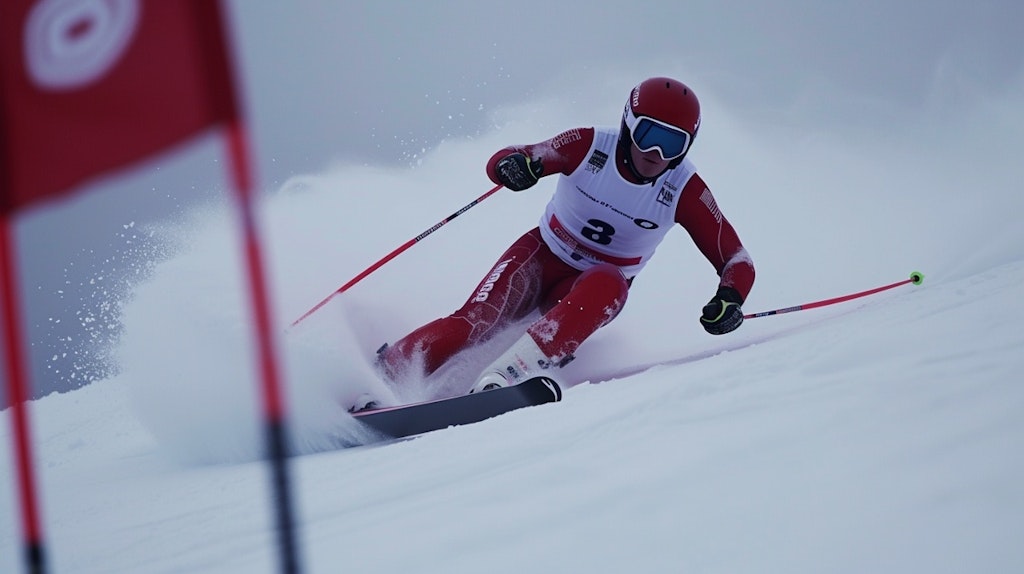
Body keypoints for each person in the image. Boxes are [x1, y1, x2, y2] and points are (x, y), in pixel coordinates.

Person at [376, 76, 755, 395]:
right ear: (627, 123)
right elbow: (513, 156)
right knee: (475, 323)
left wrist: (731, 298)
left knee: (610, 282)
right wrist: (514, 166)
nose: (655, 152)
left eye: (672, 143)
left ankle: (509, 377)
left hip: (589, 291)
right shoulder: (589, 145)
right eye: (647, 134)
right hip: (538, 258)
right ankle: (383, 377)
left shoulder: (685, 189)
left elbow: (736, 259)